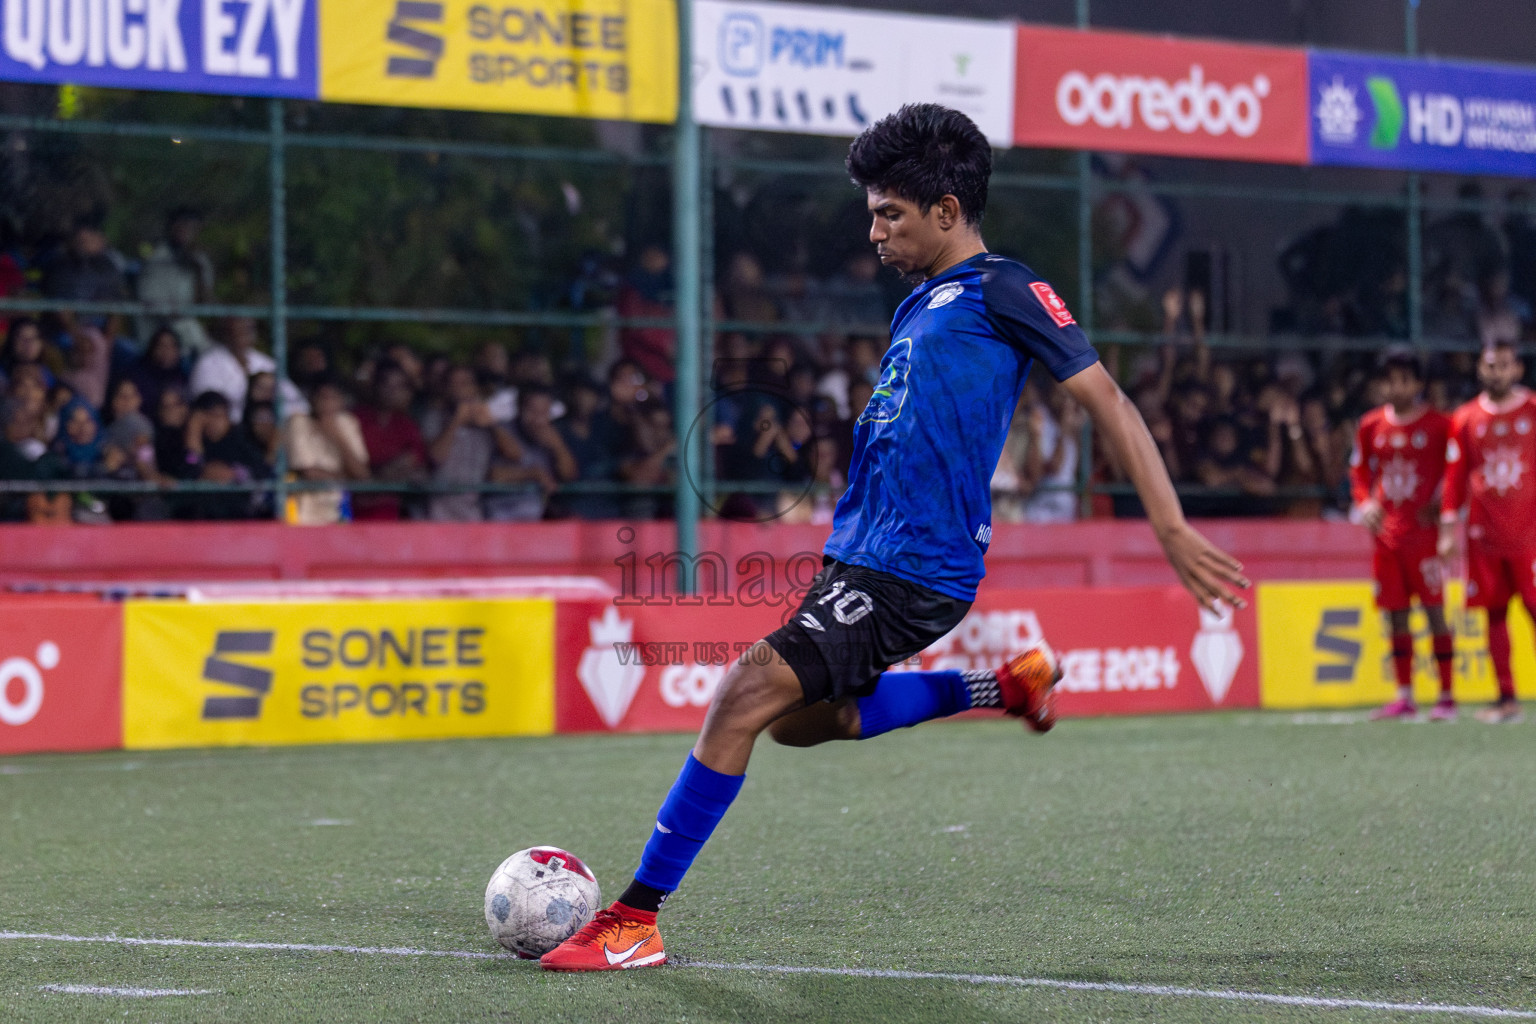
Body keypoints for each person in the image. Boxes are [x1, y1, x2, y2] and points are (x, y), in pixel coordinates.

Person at [540, 104, 1248, 973]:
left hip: (914, 569)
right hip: (861, 556)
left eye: (890, 213)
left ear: (947, 211)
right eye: (872, 210)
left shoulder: (1005, 288)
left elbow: (1108, 400)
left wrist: (1169, 527)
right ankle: (1006, 687)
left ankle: (634, 917)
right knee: (804, 723)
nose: (872, 229)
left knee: (739, 697)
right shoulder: (922, 302)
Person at [1350, 350, 1456, 721]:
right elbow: (1359, 472)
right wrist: (1364, 504)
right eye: (1390, 379)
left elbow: (1457, 470)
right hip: (1386, 538)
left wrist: (1445, 502)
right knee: (1395, 616)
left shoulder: (1441, 426)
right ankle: (1404, 695)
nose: (1397, 386)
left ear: (1418, 384)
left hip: (1424, 537)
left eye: (1405, 379)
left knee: (1434, 612)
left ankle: (1446, 696)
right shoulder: (1369, 426)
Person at [1439, 340, 1536, 724]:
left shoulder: (1533, 410)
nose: (1497, 372)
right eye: (1491, 365)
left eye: (1504, 365)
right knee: (1493, 615)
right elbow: (1454, 477)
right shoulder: (1465, 418)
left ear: (1517, 370)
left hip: (1529, 535)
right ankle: (1506, 697)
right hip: (1483, 535)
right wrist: (1448, 528)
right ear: (1480, 369)